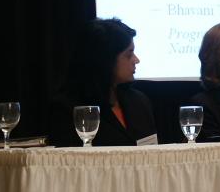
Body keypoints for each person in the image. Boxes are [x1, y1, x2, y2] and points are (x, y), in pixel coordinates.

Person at [48, 18, 157, 146]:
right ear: (106, 59)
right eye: (129, 54)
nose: (136, 60)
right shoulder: (68, 109)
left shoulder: (139, 101)